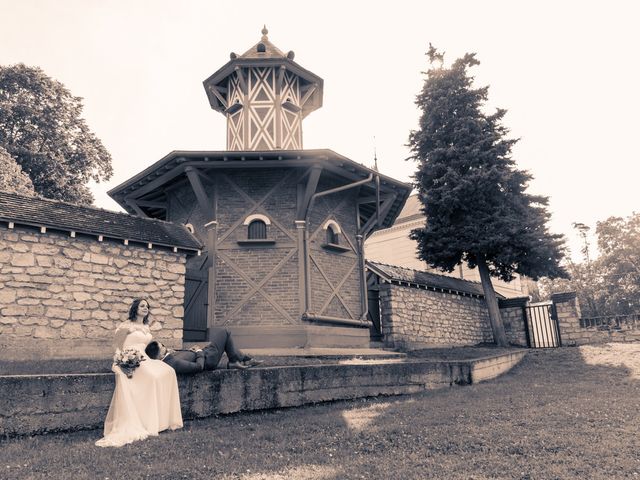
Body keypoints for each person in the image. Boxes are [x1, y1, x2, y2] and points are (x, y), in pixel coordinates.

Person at [95, 298, 183, 447]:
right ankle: (147, 420)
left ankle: (162, 420)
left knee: (169, 372)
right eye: (142, 306)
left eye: (147, 307)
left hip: (145, 358)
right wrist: (122, 360)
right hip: (131, 359)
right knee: (153, 376)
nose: (145, 308)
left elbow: (149, 348)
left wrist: (163, 352)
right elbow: (117, 345)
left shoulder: (146, 327)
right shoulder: (126, 325)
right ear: (135, 308)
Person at [145, 327, 263, 374]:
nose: (166, 348)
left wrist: (190, 351)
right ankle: (238, 360)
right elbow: (198, 367)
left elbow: (186, 358)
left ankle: (241, 359)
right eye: (163, 347)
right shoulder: (173, 363)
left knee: (225, 338)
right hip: (208, 358)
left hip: (204, 354)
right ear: (159, 355)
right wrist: (199, 352)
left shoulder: (168, 359)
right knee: (225, 332)